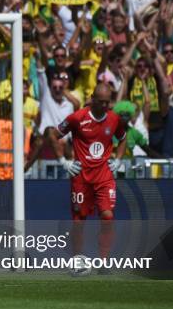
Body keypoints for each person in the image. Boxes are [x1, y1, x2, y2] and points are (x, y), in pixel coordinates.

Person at [49, 84, 127, 260]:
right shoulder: (77, 118)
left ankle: (104, 261)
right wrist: (64, 162)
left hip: (104, 176)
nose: (105, 106)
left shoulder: (114, 119)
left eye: (108, 102)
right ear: (92, 99)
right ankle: (77, 259)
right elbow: (53, 135)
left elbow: (123, 138)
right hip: (81, 178)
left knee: (108, 216)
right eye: (101, 102)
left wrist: (118, 159)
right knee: (79, 221)